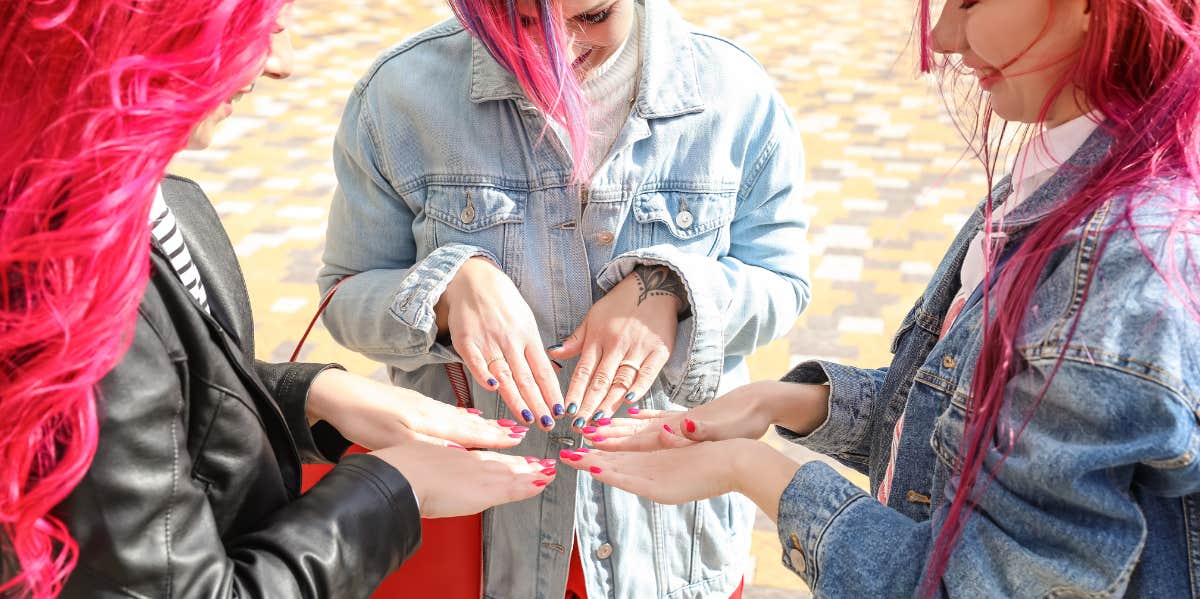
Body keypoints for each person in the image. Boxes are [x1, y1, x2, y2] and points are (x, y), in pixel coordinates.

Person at [563, 0, 1200, 596]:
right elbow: (963, 429)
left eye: (971, 1)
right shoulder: (1066, 168)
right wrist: (785, 401)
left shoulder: (1119, 265)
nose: (944, 39)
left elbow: (963, 583)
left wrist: (752, 470)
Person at [0, 2, 554, 597]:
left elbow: (164, 397)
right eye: (257, 28)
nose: (282, 65)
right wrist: (394, 489)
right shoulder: (74, 289)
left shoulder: (155, 203)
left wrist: (309, 396)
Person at [317, 0, 811, 596]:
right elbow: (344, 294)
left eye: (593, 15)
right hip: (476, 539)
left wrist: (674, 291)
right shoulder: (400, 93)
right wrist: (449, 289)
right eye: (523, 22)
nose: (561, 48)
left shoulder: (734, 92)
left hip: (668, 546)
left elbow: (782, 283)